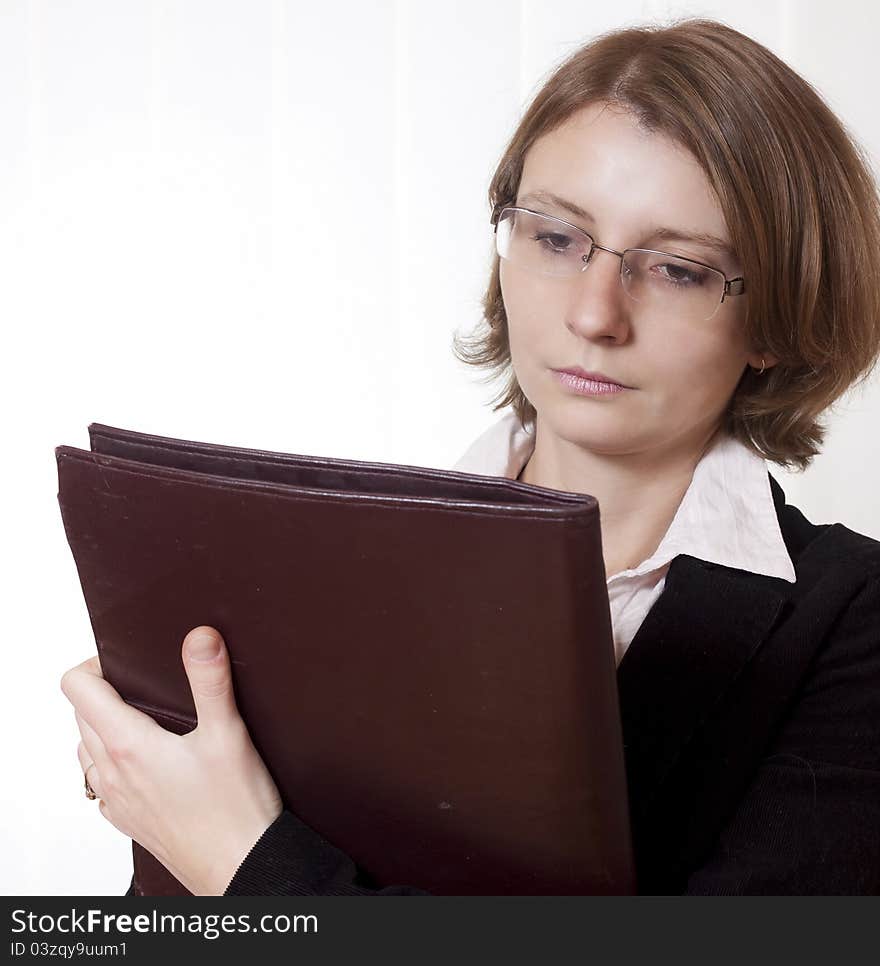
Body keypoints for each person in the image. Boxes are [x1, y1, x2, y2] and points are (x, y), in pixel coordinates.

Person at [60, 18, 880, 895]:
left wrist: (241, 859)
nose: (594, 315)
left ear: (778, 315)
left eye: (678, 268)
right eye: (557, 239)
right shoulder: (322, 563)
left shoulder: (849, 623)